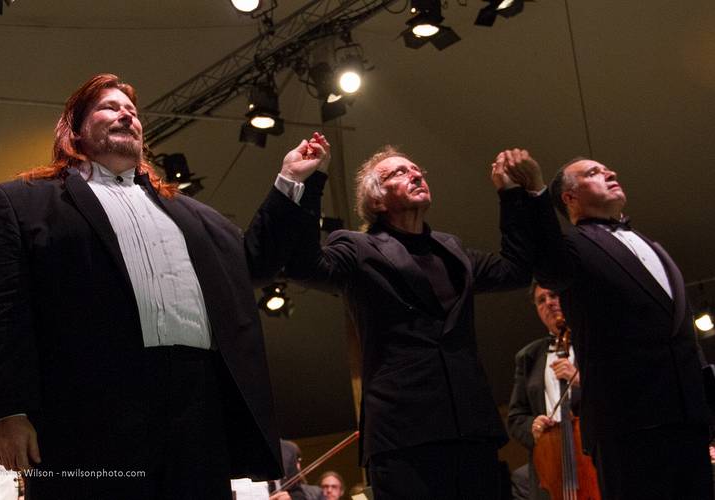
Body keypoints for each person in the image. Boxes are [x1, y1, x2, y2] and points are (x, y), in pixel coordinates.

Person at [0, 73, 328, 500]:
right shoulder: (24, 201)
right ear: (76, 129)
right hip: (85, 408)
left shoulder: (193, 215)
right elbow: (0, 310)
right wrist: (9, 411)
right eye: (109, 106)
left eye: (133, 111)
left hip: (196, 406)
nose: (126, 114)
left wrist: (290, 179)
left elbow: (253, 263)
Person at [286, 146, 554, 498]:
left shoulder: (452, 250)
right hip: (404, 438)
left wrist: (512, 193)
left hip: (472, 430)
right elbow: (303, 265)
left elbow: (516, 271)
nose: (415, 174)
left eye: (417, 169)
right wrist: (313, 180)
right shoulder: (356, 248)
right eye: (397, 173)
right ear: (376, 200)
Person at [530, 156, 713, 498]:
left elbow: (679, 335)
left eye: (607, 169)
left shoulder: (650, 243)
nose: (611, 172)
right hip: (628, 423)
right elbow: (545, 259)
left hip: (686, 418)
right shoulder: (571, 248)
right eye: (593, 173)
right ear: (569, 198)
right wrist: (534, 192)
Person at [507, 283, 581, 499]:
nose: (548, 302)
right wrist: (534, 427)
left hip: (592, 455)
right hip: (549, 465)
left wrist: (578, 379)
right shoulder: (527, 357)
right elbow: (516, 417)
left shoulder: (594, 344)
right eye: (541, 300)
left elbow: (618, 397)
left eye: (553, 295)